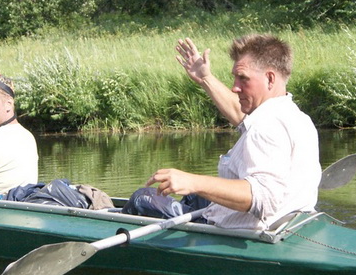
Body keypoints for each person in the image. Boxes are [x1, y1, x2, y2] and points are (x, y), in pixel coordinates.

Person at [125, 35, 320, 230]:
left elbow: (264, 197)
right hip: (291, 226)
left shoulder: (265, 127)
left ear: (270, 78)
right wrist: (205, 78)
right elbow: (242, 116)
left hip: (247, 232)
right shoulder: (296, 117)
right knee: (194, 197)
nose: (235, 87)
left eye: (243, 78)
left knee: (142, 198)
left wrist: (192, 181)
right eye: (235, 77)